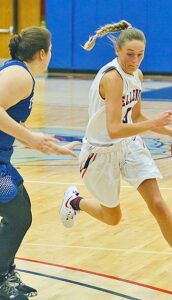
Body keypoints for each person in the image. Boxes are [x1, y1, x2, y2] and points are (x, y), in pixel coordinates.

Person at [60, 20, 172, 287]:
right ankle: (74, 201)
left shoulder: (136, 75)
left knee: (158, 204)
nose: (135, 59)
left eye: (140, 54)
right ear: (118, 50)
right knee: (113, 217)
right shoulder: (112, 78)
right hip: (100, 152)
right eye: (130, 54)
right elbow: (114, 129)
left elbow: (137, 115)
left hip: (129, 146)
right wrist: (155, 124)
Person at [0, 26, 80, 300]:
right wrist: (31, 139)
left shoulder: (20, 74)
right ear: (43, 53)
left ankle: (6, 273)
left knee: (21, 211)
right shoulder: (20, 75)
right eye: (51, 50)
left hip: (1, 158)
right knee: (18, 216)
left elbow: (13, 124)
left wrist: (48, 146)